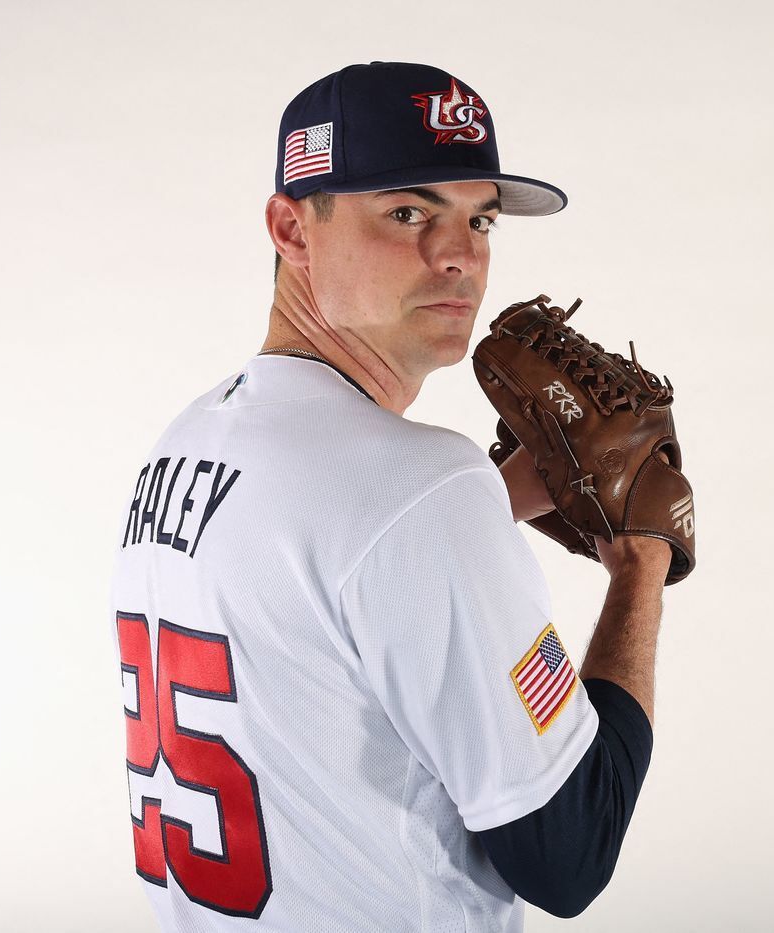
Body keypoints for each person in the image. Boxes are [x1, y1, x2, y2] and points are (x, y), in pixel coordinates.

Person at [110, 61, 669, 930]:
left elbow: (334, 589)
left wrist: (489, 504)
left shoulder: (184, 441)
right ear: (291, 227)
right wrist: (639, 561)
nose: (460, 254)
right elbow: (570, 853)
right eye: (407, 211)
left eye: (477, 217)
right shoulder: (423, 489)